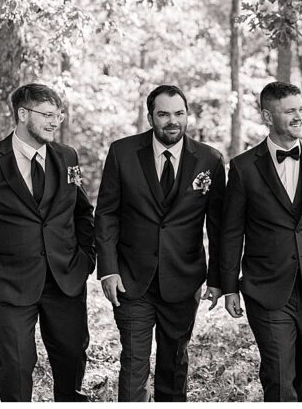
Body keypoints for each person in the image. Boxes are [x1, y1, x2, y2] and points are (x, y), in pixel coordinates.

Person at [0, 83, 95, 402]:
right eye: (47, 115)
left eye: (58, 115)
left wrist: (87, 257)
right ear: (23, 114)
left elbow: (82, 211)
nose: (54, 122)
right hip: (9, 282)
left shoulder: (67, 156)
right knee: (17, 365)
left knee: (71, 357)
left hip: (66, 279)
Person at [220, 82, 302, 401]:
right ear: (268, 116)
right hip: (266, 287)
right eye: (289, 111)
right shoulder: (243, 167)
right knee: (279, 375)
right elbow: (231, 232)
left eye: (300, 109)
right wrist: (229, 286)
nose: (299, 116)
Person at [95, 84, 225, 402]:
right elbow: (107, 215)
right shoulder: (122, 152)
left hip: (183, 279)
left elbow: (219, 226)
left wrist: (218, 278)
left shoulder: (210, 159)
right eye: (164, 114)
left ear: (187, 115)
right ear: (150, 116)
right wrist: (108, 269)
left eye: (179, 113)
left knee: (174, 364)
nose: (172, 121)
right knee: (134, 363)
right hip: (131, 279)